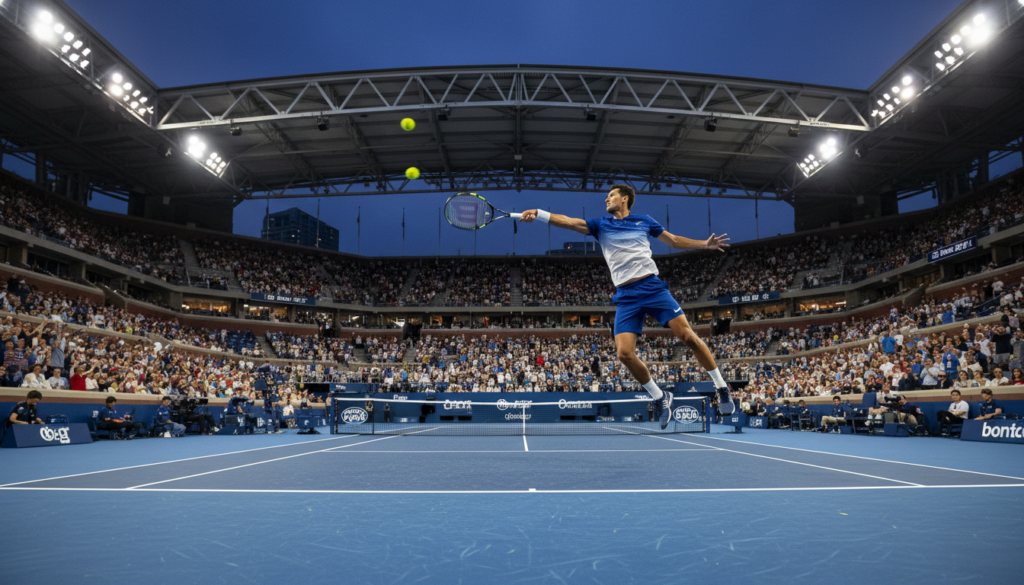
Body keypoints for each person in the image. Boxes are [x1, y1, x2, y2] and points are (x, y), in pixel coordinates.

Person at [520, 184, 732, 429]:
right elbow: (568, 221)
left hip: (652, 288)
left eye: (611, 195)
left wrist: (703, 244)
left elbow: (672, 240)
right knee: (624, 354)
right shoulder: (601, 225)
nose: (606, 199)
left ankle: (721, 387)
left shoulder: (644, 221)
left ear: (625, 198)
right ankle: (660, 398)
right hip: (626, 295)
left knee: (688, 337)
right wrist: (539, 212)